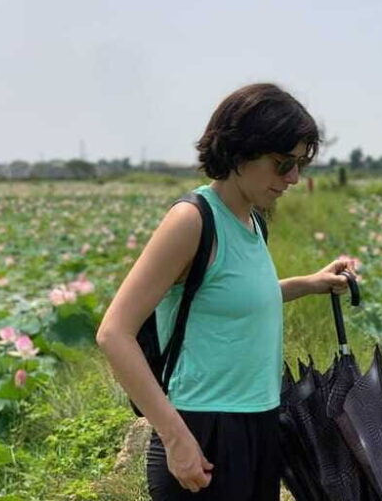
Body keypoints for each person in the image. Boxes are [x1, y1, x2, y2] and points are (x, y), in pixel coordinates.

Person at [95, 83, 358, 500]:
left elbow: (230, 299)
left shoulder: (253, 221)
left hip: (260, 420)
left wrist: (310, 283)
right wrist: (176, 438)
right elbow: (114, 333)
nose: (293, 178)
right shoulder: (192, 220)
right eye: (282, 163)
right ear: (241, 151)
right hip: (204, 429)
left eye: (299, 165)